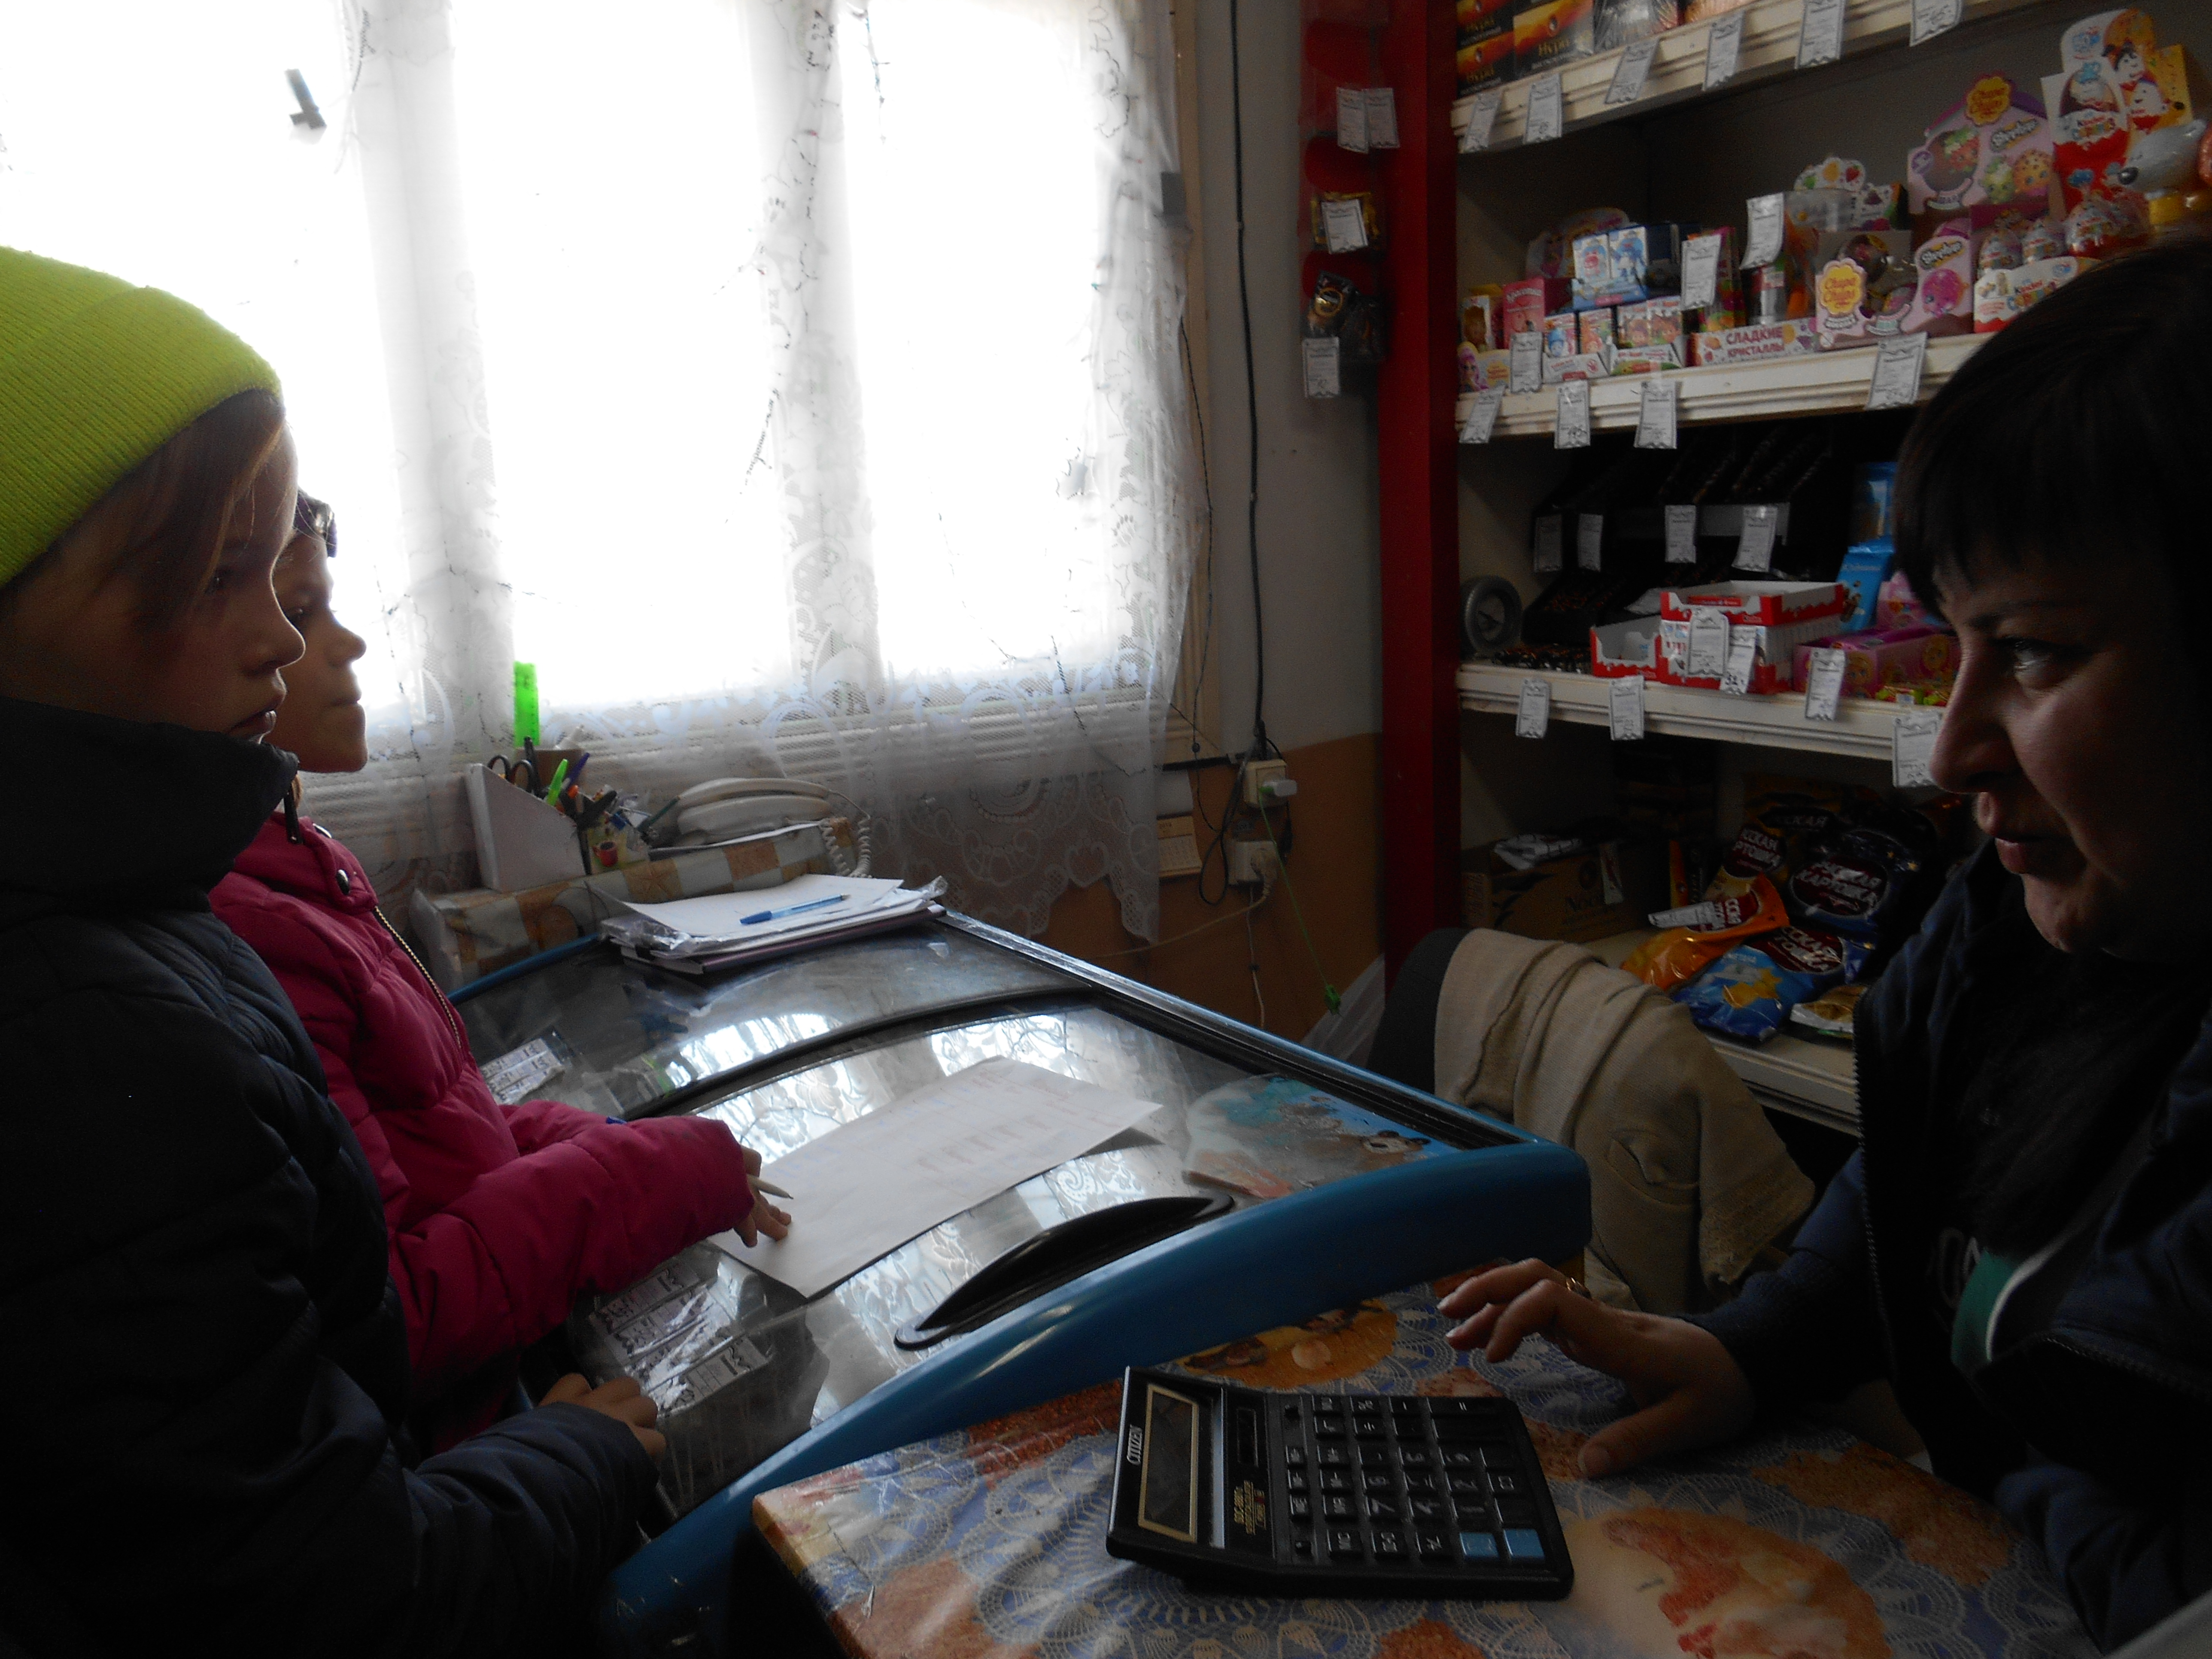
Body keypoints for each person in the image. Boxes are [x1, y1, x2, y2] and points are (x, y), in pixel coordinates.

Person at [1438, 239, 2212, 1653]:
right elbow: (1910, 1214)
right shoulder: (2011, 935)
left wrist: (2002, 1493)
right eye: (1954, 643)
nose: (1952, 752)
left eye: (2035, 651)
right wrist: (1738, 1348)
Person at [0, 245, 640, 1655]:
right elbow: (335, 1601)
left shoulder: (144, 907)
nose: (283, 642)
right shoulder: (86, 1039)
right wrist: (588, 1451)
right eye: (214, 577)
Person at [210, 494, 790, 1449]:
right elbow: (401, 1306)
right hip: (462, 1438)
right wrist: (653, 1175)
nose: (348, 644)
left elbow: (440, 1133)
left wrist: (613, 1146)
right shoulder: (259, 928)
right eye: (303, 611)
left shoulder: (301, 863)